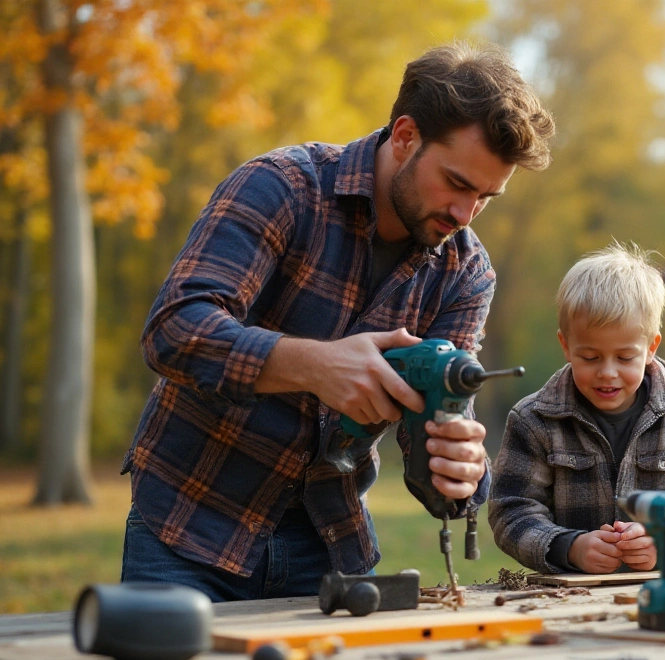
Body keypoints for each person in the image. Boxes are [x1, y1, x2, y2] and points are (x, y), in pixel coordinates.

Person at [119, 42, 555, 603]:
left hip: (329, 546)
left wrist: (459, 470)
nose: (464, 214)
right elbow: (175, 329)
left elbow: (442, 414)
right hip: (189, 527)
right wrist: (316, 365)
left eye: (485, 197)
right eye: (456, 183)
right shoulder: (280, 187)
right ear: (405, 137)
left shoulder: (466, 272)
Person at [488, 242, 665, 660]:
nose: (608, 373)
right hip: (568, 610)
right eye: (590, 356)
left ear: (652, 346)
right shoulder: (534, 419)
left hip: (660, 601)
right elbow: (510, 509)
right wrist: (567, 547)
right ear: (565, 345)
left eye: (624, 356)